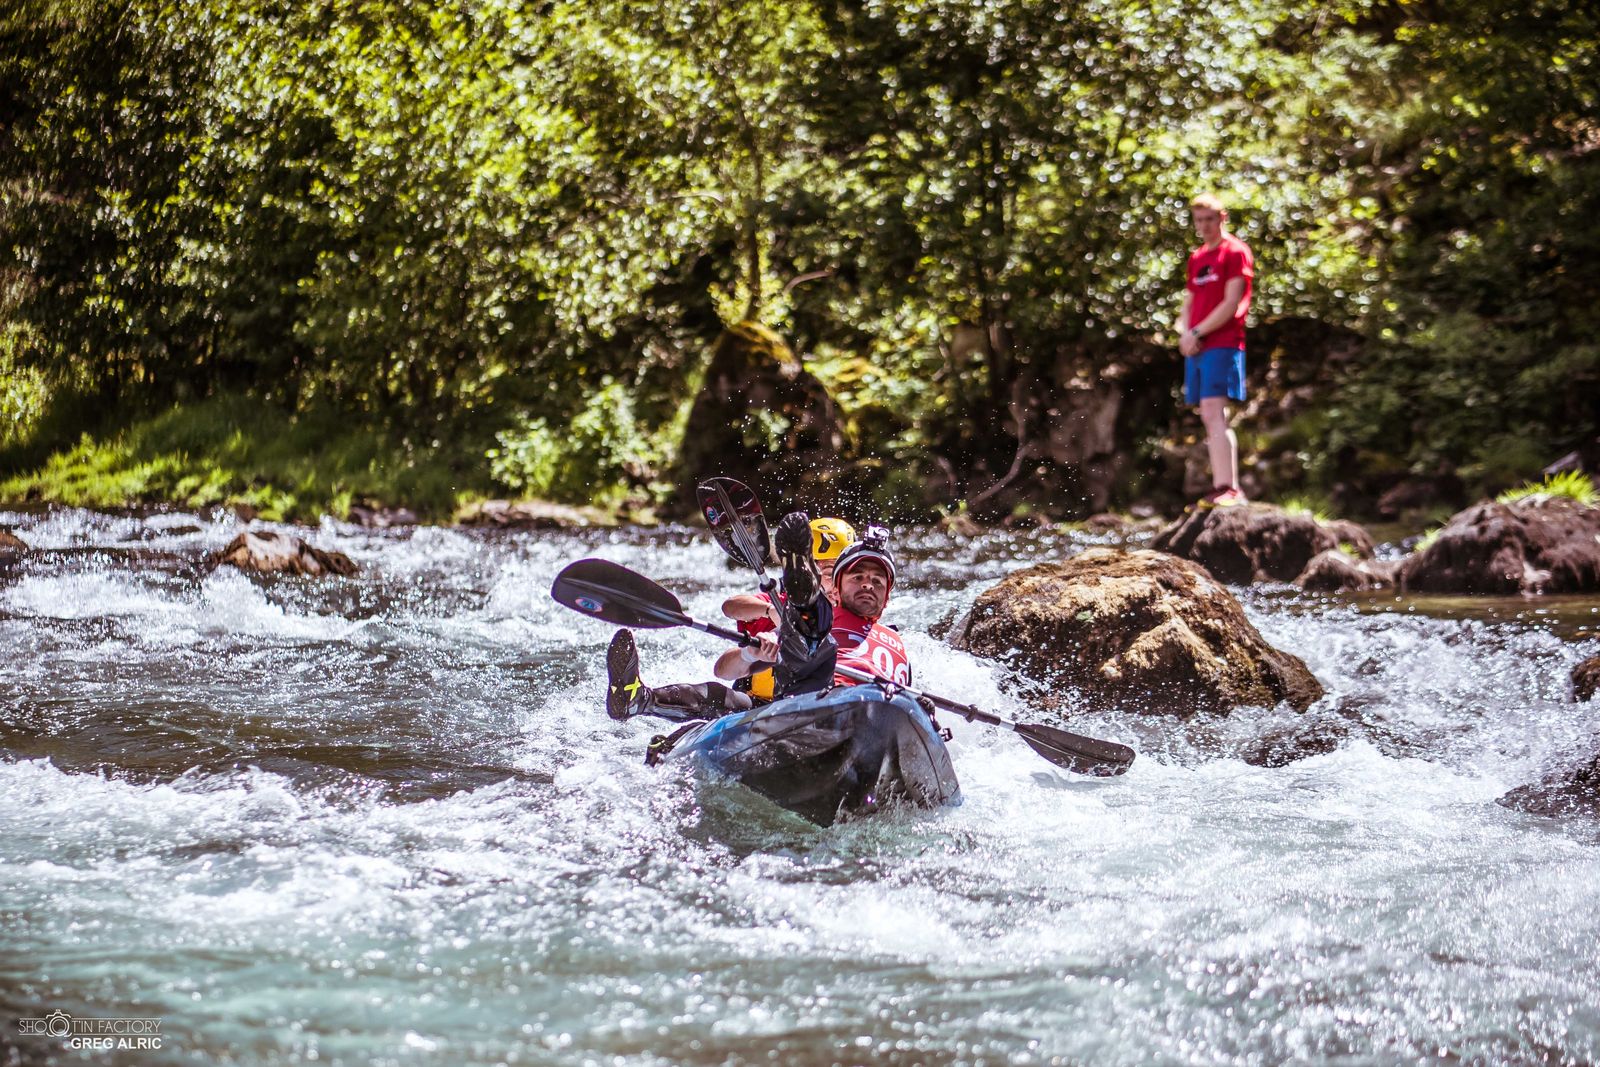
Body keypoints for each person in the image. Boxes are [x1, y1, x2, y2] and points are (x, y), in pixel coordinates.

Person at [604, 516, 859, 720]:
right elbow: (730, 609)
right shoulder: (780, 604)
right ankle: (640, 699)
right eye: (827, 570)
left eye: (840, 571)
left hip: (832, 709)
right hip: (761, 708)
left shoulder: (861, 623)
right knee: (719, 695)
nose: (833, 580)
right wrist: (763, 632)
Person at [1175, 192, 1254, 507]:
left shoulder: (1235, 252)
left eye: (1210, 219)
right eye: (1199, 220)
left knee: (1213, 411)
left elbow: (1231, 303)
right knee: (1208, 416)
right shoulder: (1197, 257)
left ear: (1223, 218)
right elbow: (1189, 300)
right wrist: (1184, 333)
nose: (1205, 225)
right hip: (1197, 345)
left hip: (1222, 343)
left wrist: (1197, 331)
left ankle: (1229, 488)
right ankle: (1221, 486)